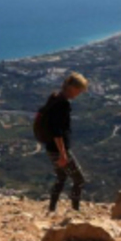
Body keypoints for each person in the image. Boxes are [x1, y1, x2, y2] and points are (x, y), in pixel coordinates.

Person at [40, 72, 88, 212]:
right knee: (79, 180)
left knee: (61, 177)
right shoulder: (63, 104)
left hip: (50, 148)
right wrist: (63, 154)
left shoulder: (54, 97)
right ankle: (75, 210)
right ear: (72, 88)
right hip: (58, 149)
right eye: (79, 90)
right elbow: (57, 131)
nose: (79, 93)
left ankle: (52, 209)